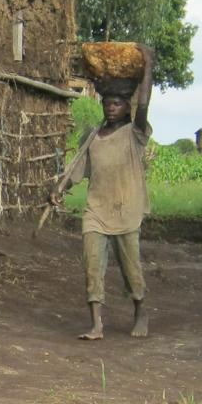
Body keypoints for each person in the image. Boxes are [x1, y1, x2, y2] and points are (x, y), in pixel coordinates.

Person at [50, 44, 155, 340]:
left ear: (127, 108)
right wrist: (59, 188)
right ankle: (96, 324)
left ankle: (140, 310)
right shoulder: (92, 137)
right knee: (92, 268)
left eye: (117, 103)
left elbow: (144, 103)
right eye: (107, 103)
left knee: (131, 270)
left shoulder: (135, 133)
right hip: (96, 210)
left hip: (126, 209)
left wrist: (148, 67)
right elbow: (76, 170)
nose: (111, 107)